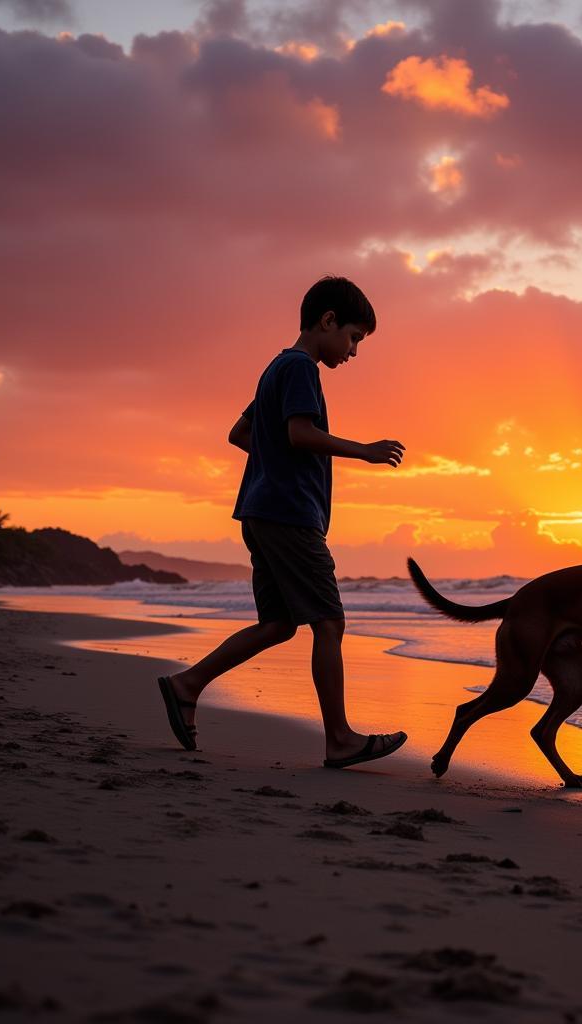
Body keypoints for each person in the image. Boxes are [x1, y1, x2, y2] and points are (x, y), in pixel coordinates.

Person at [157, 276, 407, 769]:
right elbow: (298, 432)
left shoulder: (276, 367)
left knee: (277, 624)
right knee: (329, 621)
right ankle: (340, 739)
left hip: (261, 510)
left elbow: (241, 433)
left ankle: (186, 685)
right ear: (328, 321)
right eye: (353, 337)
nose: (353, 352)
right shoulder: (300, 368)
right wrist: (365, 451)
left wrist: (274, 461)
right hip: (290, 514)